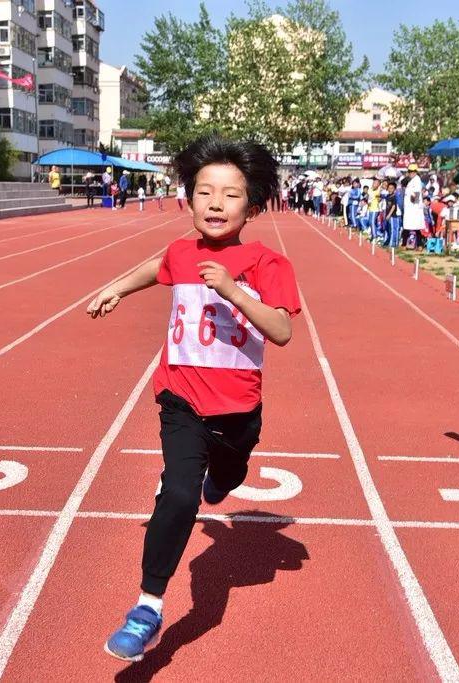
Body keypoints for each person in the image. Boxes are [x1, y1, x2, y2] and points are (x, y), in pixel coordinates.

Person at [86, 135, 300, 662]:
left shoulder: (269, 264)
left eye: (230, 195)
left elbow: (281, 331)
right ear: (189, 197)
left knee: (224, 479)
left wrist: (233, 289)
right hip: (179, 397)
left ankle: (221, 479)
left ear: (252, 205)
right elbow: (155, 267)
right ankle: (147, 607)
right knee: (178, 495)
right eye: (204, 191)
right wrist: (117, 287)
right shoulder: (182, 252)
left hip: (238, 411)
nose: (215, 203)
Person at [402, 164, 425, 249]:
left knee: (416, 227)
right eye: (410, 171)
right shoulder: (410, 180)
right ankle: (405, 244)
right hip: (409, 207)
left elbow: (416, 194)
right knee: (407, 226)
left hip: (414, 207)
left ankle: (419, 245)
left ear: (416, 172)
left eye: (413, 171)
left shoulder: (417, 180)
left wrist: (413, 196)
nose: (411, 173)